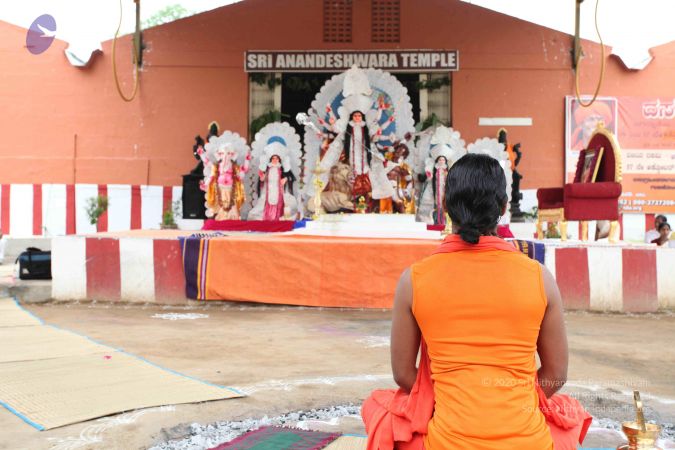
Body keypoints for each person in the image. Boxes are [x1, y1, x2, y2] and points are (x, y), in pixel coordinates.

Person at [363, 154, 590, 449]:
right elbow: (556, 375)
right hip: (529, 442)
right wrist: (510, 402)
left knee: (377, 405)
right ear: (503, 208)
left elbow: (404, 374)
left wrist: (457, 403)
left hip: (446, 442)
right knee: (566, 413)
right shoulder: (540, 278)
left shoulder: (414, 279)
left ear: (446, 206)